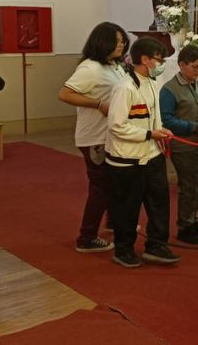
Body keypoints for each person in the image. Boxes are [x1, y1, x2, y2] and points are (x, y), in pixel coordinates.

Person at [106, 37, 180, 268]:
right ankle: (124, 249)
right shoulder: (124, 87)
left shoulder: (153, 83)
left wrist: (159, 131)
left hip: (153, 155)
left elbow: (152, 116)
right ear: (144, 59)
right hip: (127, 158)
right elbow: (116, 125)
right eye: (160, 59)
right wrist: (149, 134)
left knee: (159, 202)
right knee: (127, 207)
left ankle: (156, 245)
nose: (162, 64)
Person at [58, 22, 129, 254]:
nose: (121, 45)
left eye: (122, 41)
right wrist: (98, 104)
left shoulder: (114, 65)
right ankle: (86, 237)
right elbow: (65, 94)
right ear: (102, 42)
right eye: (116, 41)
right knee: (100, 188)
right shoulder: (91, 68)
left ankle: (113, 221)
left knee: (112, 183)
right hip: (94, 137)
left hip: (110, 135)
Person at [159, 45, 198, 244]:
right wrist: (194, 127)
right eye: (195, 67)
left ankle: (192, 220)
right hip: (183, 145)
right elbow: (166, 120)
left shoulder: (197, 85)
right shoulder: (169, 90)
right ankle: (184, 225)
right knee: (188, 186)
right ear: (182, 65)